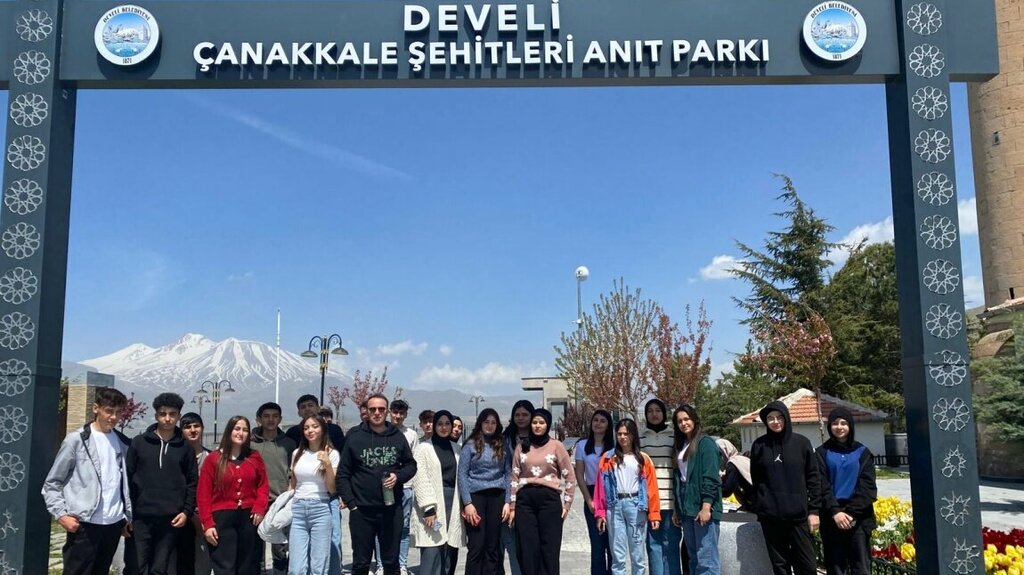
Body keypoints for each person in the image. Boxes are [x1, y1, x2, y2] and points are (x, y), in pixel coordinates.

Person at [43, 387, 133, 575]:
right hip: (84, 524)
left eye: (118, 413)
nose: (113, 417)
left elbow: (123, 484)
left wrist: (126, 515)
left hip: (113, 524)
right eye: (109, 411)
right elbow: (52, 483)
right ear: (96, 408)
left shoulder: (123, 442)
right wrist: (61, 515)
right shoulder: (76, 440)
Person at [336, 394, 417, 575]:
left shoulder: (397, 436)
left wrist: (398, 476)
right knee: (361, 563)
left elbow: (411, 465)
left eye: (381, 409)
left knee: (391, 562)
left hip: (391, 509)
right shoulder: (355, 436)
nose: (377, 413)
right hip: (362, 511)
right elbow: (343, 474)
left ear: (387, 411)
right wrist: (351, 504)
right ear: (367, 411)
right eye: (373, 409)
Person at [126, 392, 198, 575]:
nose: (167, 418)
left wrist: (186, 512)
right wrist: (126, 514)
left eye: (172, 414)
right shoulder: (139, 443)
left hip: (171, 520)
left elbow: (192, 482)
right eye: (163, 413)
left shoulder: (185, 448)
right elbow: (127, 478)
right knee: (136, 567)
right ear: (156, 415)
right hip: (140, 518)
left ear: (179, 417)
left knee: (161, 569)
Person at [749, 402, 821, 575]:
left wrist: (814, 511)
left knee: (807, 566)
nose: (775, 421)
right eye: (770, 418)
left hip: (799, 517)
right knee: (780, 566)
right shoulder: (759, 446)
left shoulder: (802, 443)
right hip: (771, 517)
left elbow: (814, 478)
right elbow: (756, 480)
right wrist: (761, 506)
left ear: (787, 418)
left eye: (779, 417)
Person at [196, 415, 270, 575]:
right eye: (237, 429)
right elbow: (203, 494)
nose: (241, 433)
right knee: (225, 566)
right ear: (229, 431)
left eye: (245, 430)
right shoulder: (214, 459)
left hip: (249, 519)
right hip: (222, 520)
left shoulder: (254, 457)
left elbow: (263, 485)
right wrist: (207, 524)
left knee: (248, 565)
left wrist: (259, 507)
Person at [509, 408, 576, 575]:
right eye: (534, 422)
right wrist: (512, 506)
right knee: (527, 550)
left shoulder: (556, 446)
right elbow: (514, 478)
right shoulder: (521, 447)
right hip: (525, 502)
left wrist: (567, 504)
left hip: (549, 501)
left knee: (549, 550)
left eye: (541, 422)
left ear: (547, 425)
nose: (537, 426)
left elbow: (570, 477)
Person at [287, 395, 346, 575]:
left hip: (321, 508)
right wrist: (288, 501)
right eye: (306, 428)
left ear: (322, 428)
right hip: (298, 508)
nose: (310, 430)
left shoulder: (332, 454)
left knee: (318, 567)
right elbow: (293, 482)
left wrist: (327, 465)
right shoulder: (297, 453)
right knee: (296, 568)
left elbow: (331, 488)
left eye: (314, 426)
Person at [594, 419, 660, 575]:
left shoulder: (643, 459)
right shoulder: (607, 458)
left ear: (633, 435)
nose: (622, 437)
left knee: (637, 554)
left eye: (626, 434)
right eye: (619, 434)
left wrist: (654, 514)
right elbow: (600, 488)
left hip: (636, 505)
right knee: (617, 555)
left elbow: (652, 487)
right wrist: (600, 512)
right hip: (614, 505)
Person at [815, 407, 877, 575]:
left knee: (861, 567)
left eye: (844, 423)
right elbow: (821, 485)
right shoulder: (822, 453)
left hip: (857, 517)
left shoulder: (862, 452)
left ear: (850, 426)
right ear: (829, 427)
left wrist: (850, 513)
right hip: (832, 517)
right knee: (835, 567)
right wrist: (835, 512)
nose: (839, 427)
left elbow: (868, 487)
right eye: (835, 423)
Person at [411, 411, 467, 575]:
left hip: (453, 504)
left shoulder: (457, 449)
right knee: (433, 550)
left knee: (450, 551)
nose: (444, 427)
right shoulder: (423, 448)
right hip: (433, 506)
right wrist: (429, 508)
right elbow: (420, 478)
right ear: (434, 426)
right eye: (440, 424)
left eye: (447, 424)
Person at [458, 408, 510, 575]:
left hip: (497, 497)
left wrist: (508, 502)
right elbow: (462, 475)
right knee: (476, 545)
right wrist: (468, 503)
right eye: (486, 422)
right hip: (476, 498)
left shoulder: (502, 445)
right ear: (480, 423)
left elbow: (508, 474)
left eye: (493, 422)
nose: (489, 425)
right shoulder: (470, 445)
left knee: (493, 546)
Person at [672, 405, 721, 575]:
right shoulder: (681, 444)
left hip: (702, 504)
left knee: (706, 559)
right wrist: (677, 509)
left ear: (694, 419)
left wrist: (706, 506)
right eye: (679, 421)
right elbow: (679, 479)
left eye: (686, 419)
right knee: (693, 557)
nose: (683, 423)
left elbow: (711, 477)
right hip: (687, 505)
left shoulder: (705, 443)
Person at [252, 402, 298, 575]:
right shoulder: (250, 444)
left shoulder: (289, 443)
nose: (271, 420)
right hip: (257, 501)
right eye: (266, 416)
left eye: (274, 416)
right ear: (258, 419)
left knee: (280, 546)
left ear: (280, 419)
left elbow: (293, 471)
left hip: (280, 500)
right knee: (257, 545)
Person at [640, 399, 681, 575]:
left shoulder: (674, 435)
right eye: (650, 411)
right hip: (650, 500)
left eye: (658, 410)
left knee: (671, 544)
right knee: (653, 545)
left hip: (671, 499)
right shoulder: (640, 436)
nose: (654, 414)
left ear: (664, 413)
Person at [574, 409, 614, 575]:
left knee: (612, 545)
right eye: (595, 420)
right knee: (597, 546)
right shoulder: (582, 445)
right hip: (592, 493)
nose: (598, 423)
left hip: (612, 494)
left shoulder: (615, 445)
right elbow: (579, 474)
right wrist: (589, 499)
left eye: (602, 421)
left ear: (608, 425)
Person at [500, 399, 533, 575]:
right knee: (510, 544)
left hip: (531, 499)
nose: (521, 418)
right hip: (509, 497)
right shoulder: (505, 439)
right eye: (517, 415)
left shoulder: (539, 439)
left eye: (525, 415)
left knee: (528, 546)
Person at [180, 412, 213, 575]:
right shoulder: (176, 457)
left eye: (196, 426)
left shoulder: (211, 458)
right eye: (187, 427)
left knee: (203, 564)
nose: (192, 430)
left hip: (205, 518)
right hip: (182, 517)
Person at [390, 399, 419, 575]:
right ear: (389, 412)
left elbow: (413, 463)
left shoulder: (411, 435)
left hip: (406, 487)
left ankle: (401, 564)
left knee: (404, 527)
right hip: (385, 488)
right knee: (384, 527)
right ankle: (381, 564)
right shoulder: (382, 432)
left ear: (406, 414)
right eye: (395, 412)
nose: (398, 416)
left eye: (401, 413)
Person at [715, 439, 752, 511]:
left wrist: (708, 496)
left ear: (724, 451)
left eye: (719, 454)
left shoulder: (733, 463)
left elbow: (727, 490)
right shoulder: (741, 460)